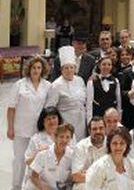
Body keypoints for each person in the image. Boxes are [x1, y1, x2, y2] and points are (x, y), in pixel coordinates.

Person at [7, 56, 52, 190]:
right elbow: (11, 108)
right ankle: (16, 186)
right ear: (29, 69)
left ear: (42, 69)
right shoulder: (19, 85)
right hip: (20, 129)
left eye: (39, 68)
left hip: (38, 131)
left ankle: (30, 186)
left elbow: (49, 108)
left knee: (36, 160)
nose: (36, 70)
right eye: (33, 68)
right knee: (19, 160)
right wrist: (10, 128)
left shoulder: (48, 86)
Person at [46, 46, 87, 139]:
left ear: (75, 68)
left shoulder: (80, 80)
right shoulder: (56, 85)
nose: (69, 70)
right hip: (65, 123)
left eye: (71, 67)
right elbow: (50, 107)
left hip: (81, 122)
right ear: (61, 69)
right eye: (66, 68)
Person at [23, 123, 74, 190]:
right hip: (40, 187)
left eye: (67, 137)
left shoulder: (72, 155)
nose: (64, 140)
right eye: (61, 137)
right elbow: (34, 177)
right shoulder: (43, 154)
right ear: (55, 138)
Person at [71, 116, 107, 190]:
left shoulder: (112, 144)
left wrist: (88, 173)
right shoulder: (80, 146)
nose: (98, 131)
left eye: (101, 128)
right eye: (94, 129)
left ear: (105, 129)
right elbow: (76, 177)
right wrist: (102, 176)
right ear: (89, 131)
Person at [86, 56, 122, 122]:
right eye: (104, 64)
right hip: (97, 115)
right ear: (99, 66)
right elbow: (89, 103)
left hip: (111, 117)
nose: (106, 67)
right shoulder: (92, 81)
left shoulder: (116, 81)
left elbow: (118, 101)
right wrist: (89, 121)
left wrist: (119, 117)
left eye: (109, 64)